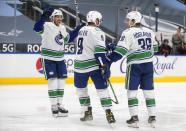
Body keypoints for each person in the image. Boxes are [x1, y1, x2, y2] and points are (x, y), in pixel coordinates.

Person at [107, 11, 158, 128]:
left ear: (134, 21)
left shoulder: (128, 32)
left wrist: (109, 59)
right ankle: (153, 117)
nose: (126, 22)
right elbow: (155, 48)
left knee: (132, 93)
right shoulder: (150, 31)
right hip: (149, 65)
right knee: (149, 92)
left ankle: (134, 119)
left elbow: (121, 52)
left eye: (128, 20)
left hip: (135, 66)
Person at [33, 8, 85, 117]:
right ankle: (53, 106)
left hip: (60, 59)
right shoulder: (46, 25)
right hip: (48, 58)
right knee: (52, 81)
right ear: (52, 18)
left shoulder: (62, 27)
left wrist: (77, 29)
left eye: (61, 17)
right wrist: (42, 17)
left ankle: (59, 104)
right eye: (57, 16)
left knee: (61, 81)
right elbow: (36, 29)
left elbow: (68, 39)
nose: (59, 18)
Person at [74, 10, 115, 124]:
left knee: (81, 91)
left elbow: (88, 44)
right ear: (96, 20)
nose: (100, 22)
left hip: (79, 66)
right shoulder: (98, 31)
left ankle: (87, 112)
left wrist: (106, 46)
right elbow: (98, 53)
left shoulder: (81, 29)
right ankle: (109, 113)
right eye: (99, 20)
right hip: (93, 66)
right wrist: (104, 66)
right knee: (102, 90)